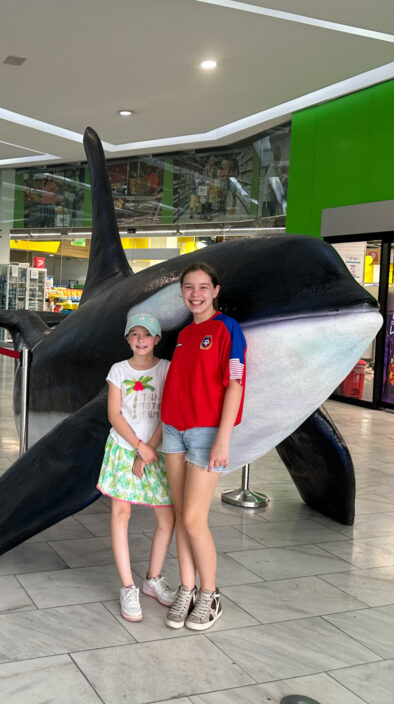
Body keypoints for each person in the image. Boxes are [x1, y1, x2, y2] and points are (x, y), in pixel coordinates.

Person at [159, 263, 246, 631]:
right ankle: (187, 588)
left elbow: (236, 384)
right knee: (181, 516)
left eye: (203, 287)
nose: (196, 294)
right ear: (182, 292)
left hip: (205, 434)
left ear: (215, 290)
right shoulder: (183, 335)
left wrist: (223, 438)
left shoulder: (228, 329)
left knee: (194, 518)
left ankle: (210, 594)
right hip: (173, 431)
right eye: (189, 288)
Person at [97, 311, 177, 622]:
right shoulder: (118, 370)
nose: (140, 339)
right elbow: (114, 414)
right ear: (128, 338)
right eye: (135, 334)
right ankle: (128, 586)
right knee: (121, 512)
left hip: (155, 452)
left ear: (157, 339)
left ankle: (152, 579)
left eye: (147, 334)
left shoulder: (167, 370)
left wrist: (149, 449)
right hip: (123, 449)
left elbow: (167, 412)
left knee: (166, 517)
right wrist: (138, 448)